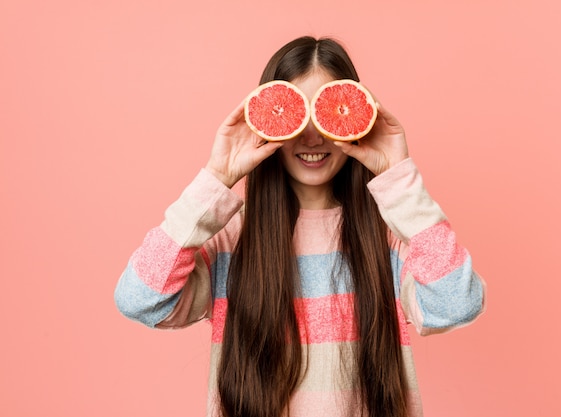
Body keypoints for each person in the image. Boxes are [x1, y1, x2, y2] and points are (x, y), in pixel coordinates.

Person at [114, 36, 485, 417]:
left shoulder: (390, 238)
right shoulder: (231, 240)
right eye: (297, 115)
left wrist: (400, 180)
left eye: (328, 113)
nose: (313, 135)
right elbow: (141, 299)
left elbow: (456, 305)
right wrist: (215, 178)